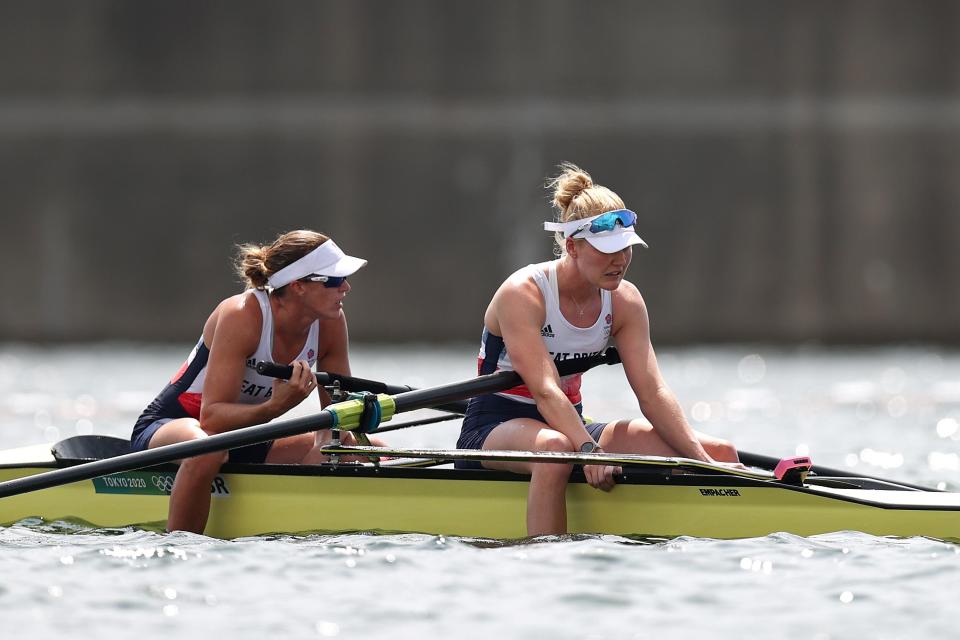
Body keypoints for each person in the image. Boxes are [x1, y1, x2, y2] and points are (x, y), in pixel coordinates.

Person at [456, 163, 741, 536]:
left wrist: (703, 464)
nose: (620, 260)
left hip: (571, 424)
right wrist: (587, 451)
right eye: (607, 249)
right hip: (494, 426)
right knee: (557, 451)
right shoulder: (523, 293)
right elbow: (544, 391)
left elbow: (652, 393)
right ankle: (546, 560)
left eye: (626, 248)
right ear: (572, 246)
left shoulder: (625, 301)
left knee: (721, 454)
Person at [131, 230, 382, 534]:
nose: (346, 287)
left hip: (244, 436)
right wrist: (276, 407)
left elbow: (336, 419)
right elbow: (212, 419)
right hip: (176, 425)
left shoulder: (331, 322)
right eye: (333, 280)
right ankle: (181, 546)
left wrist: (333, 440)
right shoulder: (243, 315)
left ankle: (308, 534)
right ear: (298, 285)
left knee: (368, 449)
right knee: (210, 449)